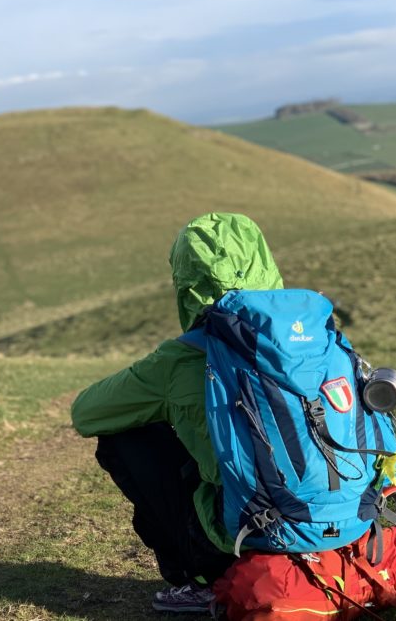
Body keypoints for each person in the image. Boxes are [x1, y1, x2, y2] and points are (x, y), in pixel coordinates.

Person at [70, 212, 284, 614]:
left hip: (241, 538)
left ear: (185, 282)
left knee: (124, 434)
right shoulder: (314, 340)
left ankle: (205, 580)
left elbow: (86, 413)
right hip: (340, 527)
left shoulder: (181, 358)